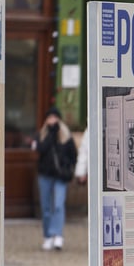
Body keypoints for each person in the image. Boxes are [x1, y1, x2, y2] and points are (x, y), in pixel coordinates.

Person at [34, 107, 77, 251]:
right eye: (49, 117)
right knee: (46, 207)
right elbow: (40, 149)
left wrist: (69, 169)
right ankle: (47, 236)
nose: (52, 120)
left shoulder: (66, 136)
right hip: (45, 175)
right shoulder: (42, 135)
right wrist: (50, 135)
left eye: (54, 117)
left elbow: (72, 155)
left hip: (60, 177)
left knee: (58, 205)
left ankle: (57, 234)